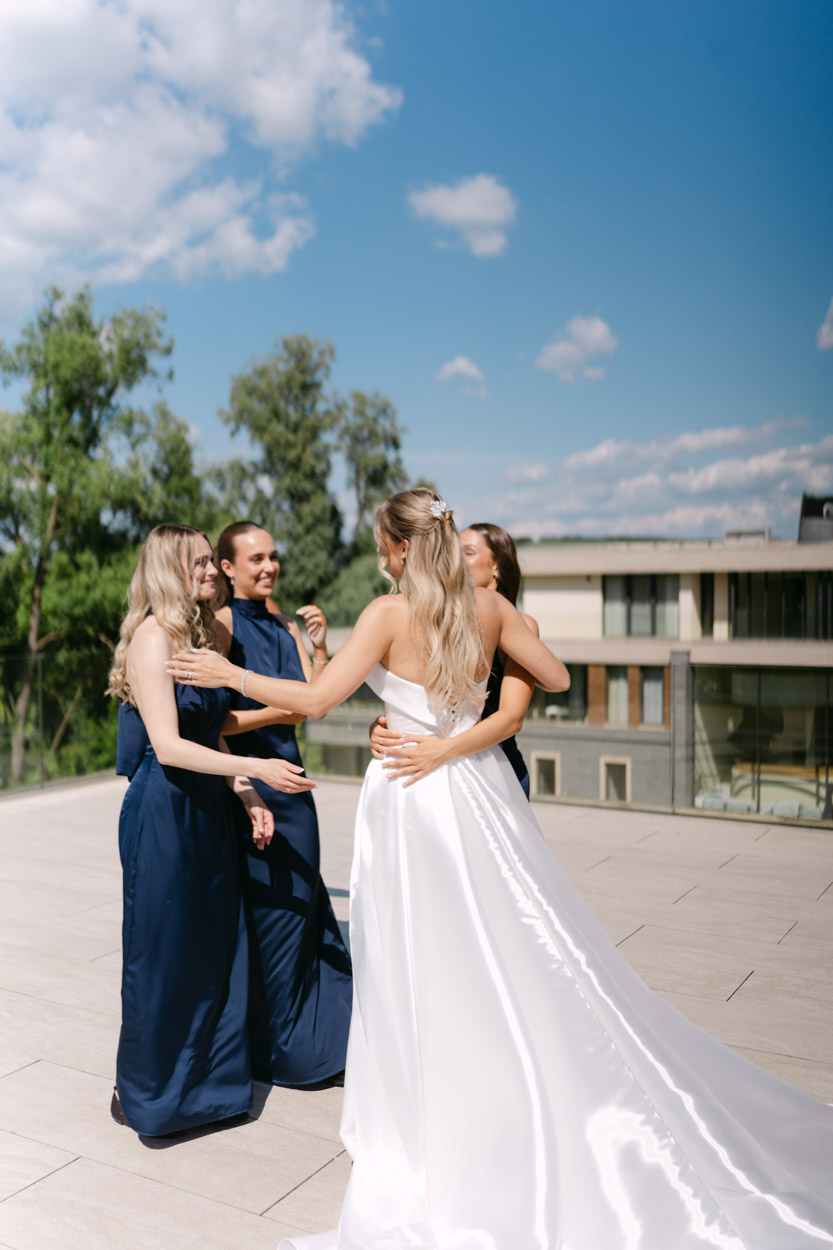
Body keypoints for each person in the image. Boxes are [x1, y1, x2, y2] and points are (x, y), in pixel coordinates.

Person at [167, 491, 833, 1248]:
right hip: (477, 787)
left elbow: (316, 700)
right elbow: (556, 678)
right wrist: (473, 703)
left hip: (411, 794)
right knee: (505, 934)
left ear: (400, 547)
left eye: (383, 543)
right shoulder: (489, 608)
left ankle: (444, 1103)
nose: (379, 554)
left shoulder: (388, 614)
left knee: (421, 953)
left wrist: (230, 674)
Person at [106, 523, 314, 1137]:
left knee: (211, 949)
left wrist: (246, 795)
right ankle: (146, 1093)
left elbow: (210, 733)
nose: (209, 572)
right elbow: (170, 747)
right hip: (165, 812)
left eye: (208, 562)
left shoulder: (196, 637)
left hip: (208, 812)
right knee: (163, 955)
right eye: (197, 563)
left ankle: (209, 1092)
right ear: (169, 570)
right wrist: (259, 768)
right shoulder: (152, 638)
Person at [212, 521, 352, 1089]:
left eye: (273, 556)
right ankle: (280, 1048)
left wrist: (318, 648)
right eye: (256, 559)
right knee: (273, 918)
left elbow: (317, 699)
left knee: (305, 909)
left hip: (296, 788)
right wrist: (277, 714)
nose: (270, 566)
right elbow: (213, 722)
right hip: (253, 789)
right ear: (227, 568)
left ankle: (318, 1034)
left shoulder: (286, 625)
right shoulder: (222, 626)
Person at [370, 521, 538, 795]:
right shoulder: (440, 625)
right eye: (453, 551)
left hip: (498, 770)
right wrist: (388, 728)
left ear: (497, 566)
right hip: (442, 770)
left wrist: (443, 750)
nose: (456, 560)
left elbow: (511, 718)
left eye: (467, 552)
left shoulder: (522, 626)